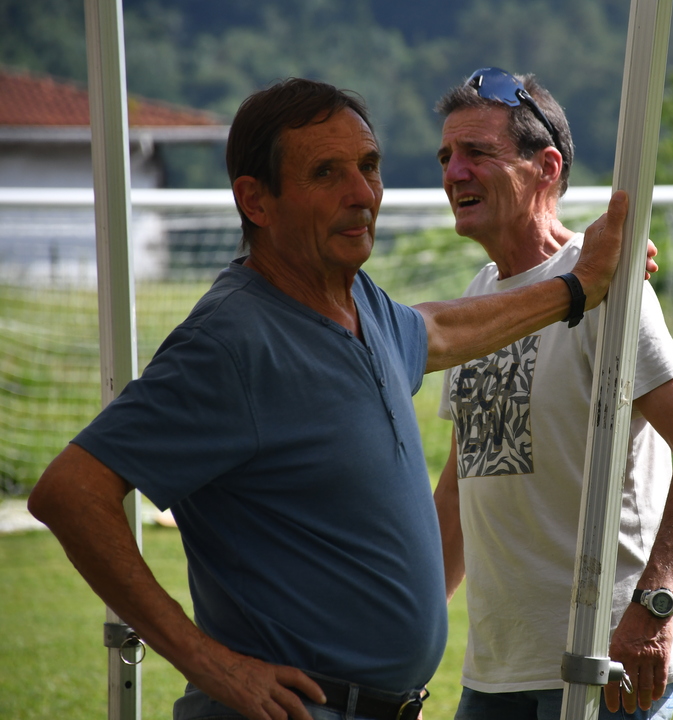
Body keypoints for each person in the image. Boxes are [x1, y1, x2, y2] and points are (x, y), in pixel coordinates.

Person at [27, 77, 639, 720]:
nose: (362, 194)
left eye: (368, 166)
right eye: (326, 173)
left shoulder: (356, 299)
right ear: (256, 201)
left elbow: (438, 330)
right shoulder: (233, 342)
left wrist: (576, 287)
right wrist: (212, 665)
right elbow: (70, 492)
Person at [431, 67, 673, 720]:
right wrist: (413, 640)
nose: (454, 172)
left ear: (547, 167)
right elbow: (459, 489)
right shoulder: (478, 299)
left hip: (606, 662)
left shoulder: (605, 287)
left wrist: (653, 607)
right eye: (446, 156)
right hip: (494, 671)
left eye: (477, 151)